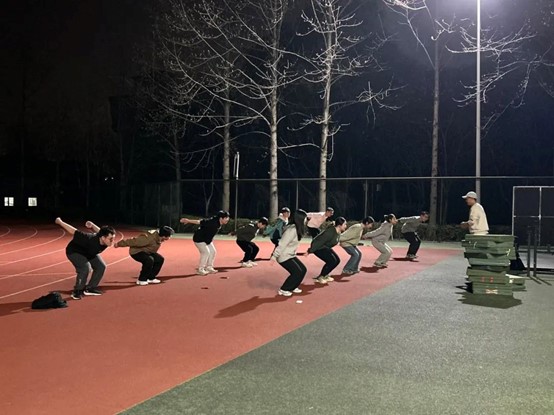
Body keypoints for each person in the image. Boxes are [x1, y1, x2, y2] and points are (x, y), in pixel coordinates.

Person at [54, 217, 116, 300]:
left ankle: (90, 288)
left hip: (89, 253)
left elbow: (100, 231)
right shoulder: (88, 238)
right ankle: (77, 291)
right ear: (103, 238)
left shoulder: (104, 238)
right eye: (111, 239)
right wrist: (60, 222)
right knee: (85, 268)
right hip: (75, 252)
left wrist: (92, 225)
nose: (112, 241)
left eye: (113, 238)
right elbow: (73, 231)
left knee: (101, 266)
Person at [270, 209, 308, 297]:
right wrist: (274, 256)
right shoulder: (292, 230)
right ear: (300, 219)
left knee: (303, 270)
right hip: (283, 256)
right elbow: (282, 244)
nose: (306, 220)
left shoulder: (296, 228)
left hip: (290, 255)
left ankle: (293, 287)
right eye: (305, 218)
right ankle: (283, 289)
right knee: (296, 272)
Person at [180, 210, 230, 275]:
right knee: (206, 253)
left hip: (207, 239)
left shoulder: (218, 222)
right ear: (221, 218)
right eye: (226, 218)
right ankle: (200, 270)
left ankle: (209, 267)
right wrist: (188, 220)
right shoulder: (212, 222)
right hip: (199, 239)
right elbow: (199, 221)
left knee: (213, 251)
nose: (227, 219)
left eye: (228, 217)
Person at [308, 216, 347, 284]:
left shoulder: (338, 232)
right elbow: (319, 241)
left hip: (325, 247)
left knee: (337, 260)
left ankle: (325, 275)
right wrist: (310, 250)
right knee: (331, 261)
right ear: (339, 225)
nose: (346, 226)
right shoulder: (330, 232)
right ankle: (320, 277)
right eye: (345, 224)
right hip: (318, 248)